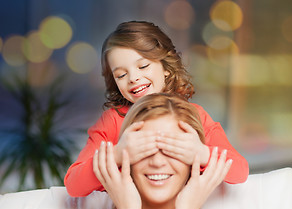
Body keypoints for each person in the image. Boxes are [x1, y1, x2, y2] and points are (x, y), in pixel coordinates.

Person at [64, 20, 249, 197]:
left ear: (166, 67)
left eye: (143, 66)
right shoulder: (113, 120)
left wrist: (201, 153)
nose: (133, 78)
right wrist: (118, 155)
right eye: (121, 75)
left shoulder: (194, 115)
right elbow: (73, 185)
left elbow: (240, 171)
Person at [70, 93, 247, 209]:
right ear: (127, 160)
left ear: (194, 161)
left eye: (172, 150)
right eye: (145, 149)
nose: (157, 162)